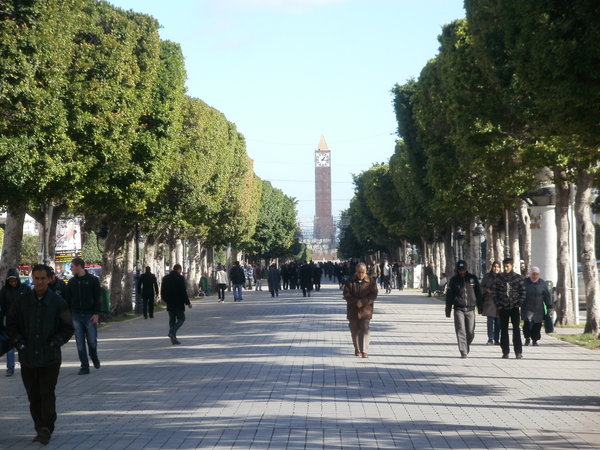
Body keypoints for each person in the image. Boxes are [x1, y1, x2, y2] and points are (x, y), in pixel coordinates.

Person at [7, 264, 74, 445]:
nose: (39, 282)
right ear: (32, 279)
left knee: (46, 392)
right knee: (33, 395)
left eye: (43, 278)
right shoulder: (22, 301)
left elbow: (68, 328)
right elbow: (11, 325)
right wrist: (19, 343)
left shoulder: (58, 302)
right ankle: (39, 426)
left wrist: (55, 342)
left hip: (50, 358)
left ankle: (46, 428)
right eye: (36, 278)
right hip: (28, 357)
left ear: (49, 279)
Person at [65, 257, 102, 375]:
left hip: (90, 314)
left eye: (72, 266)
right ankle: (84, 366)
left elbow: (98, 298)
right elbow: (67, 299)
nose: (71, 269)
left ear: (79, 266)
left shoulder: (93, 280)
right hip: (76, 315)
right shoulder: (71, 282)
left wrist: (96, 313)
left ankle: (93, 355)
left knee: (92, 341)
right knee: (80, 342)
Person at [445, 260, 482, 358]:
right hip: (459, 309)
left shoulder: (472, 279)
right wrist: (448, 310)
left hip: (470, 309)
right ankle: (463, 351)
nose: (462, 271)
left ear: (466, 269)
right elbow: (449, 296)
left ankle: (466, 345)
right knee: (460, 330)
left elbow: (478, 293)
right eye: (460, 270)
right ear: (457, 270)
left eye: (463, 269)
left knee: (470, 332)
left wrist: (480, 307)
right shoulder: (453, 280)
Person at [0, 268, 32, 376]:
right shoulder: (4, 291)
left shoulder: (25, 288)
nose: (13, 283)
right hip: (10, 321)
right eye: (10, 281)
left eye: (14, 280)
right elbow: (2, 307)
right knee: (10, 345)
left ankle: (27, 365)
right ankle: (10, 368)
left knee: (23, 344)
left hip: (23, 321)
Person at [343, 263, 378, 358]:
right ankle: (357, 349)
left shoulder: (371, 281)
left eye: (363, 272)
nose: (361, 275)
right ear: (356, 271)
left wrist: (364, 302)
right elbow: (346, 294)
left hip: (366, 310)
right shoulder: (350, 281)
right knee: (354, 330)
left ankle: (365, 350)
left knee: (365, 328)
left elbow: (374, 294)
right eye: (359, 272)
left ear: (366, 271)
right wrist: (355, 302)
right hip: (353, 309)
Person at [493, 257, 525, 359]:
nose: (506, 268)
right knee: (504, 330)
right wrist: (498, 304)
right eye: (504, 266)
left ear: (512, 266)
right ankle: (505, 351)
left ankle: (518, 352)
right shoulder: (499, 278)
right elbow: (495, 293)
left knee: (516, 330)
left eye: (508, 266)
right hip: (503, 307)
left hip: (514, 307)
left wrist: (519, 303)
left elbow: (523, 292)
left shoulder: (518, 278)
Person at [161, 264, 192, 344]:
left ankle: (173, 339)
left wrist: (166, 300)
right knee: (181, 318)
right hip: (179, 303)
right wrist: (188, 303)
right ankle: (172, 332)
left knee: (172, 320)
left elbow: (162, 291)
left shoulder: (165, 278)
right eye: (181, 270)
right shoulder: (180, 278)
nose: (181, 271)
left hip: (170, 303)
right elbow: (183, 292)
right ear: (178, 269)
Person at [522, 266, 553, 346]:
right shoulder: (525, 282)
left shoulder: (542, 283)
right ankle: (527, 338)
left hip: (538, 309)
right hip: (527, 308)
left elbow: (547, 296)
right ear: (530, 274)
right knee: (527, 324)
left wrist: (549, 306)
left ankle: (535, 340)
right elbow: (520, 293)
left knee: (537, 325)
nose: (535, 276)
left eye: (536, 274)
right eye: (533, 274)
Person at [480, 261, 501, 345]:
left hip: (500, 302)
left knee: (498, 322)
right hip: (490, 302)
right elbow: (481, 287)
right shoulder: (487, 276)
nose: (496, 268)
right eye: (494, 266)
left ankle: (497, 339)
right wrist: (486, 290)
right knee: (490, 321)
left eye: (498, 267)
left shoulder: (502, 277)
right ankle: (490, 338)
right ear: (492, 267)